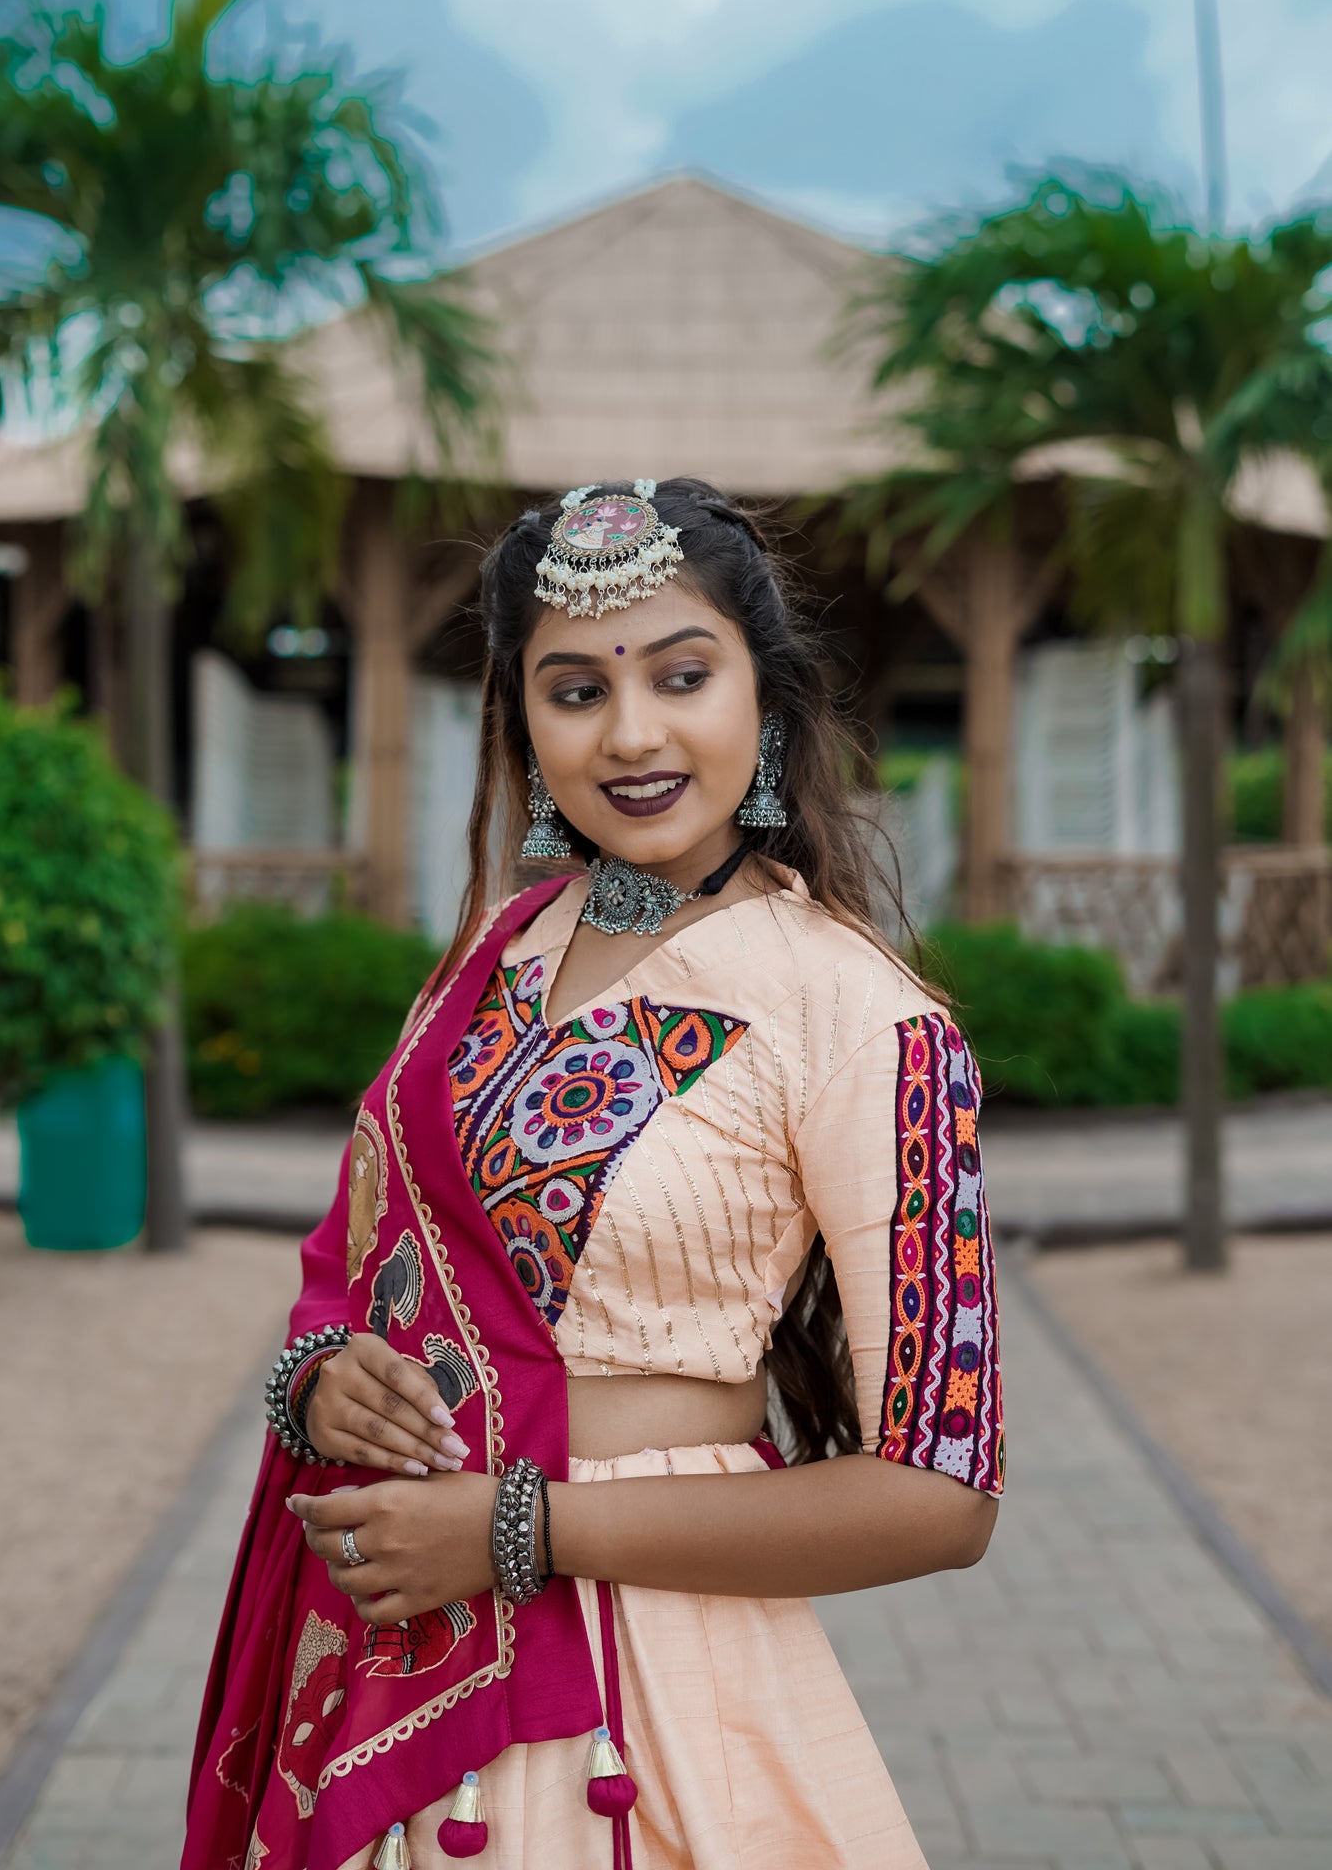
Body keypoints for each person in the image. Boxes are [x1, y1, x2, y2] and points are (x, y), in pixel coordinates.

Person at [183, 477, 1003, 1870]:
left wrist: (515, 1530)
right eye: (573, 692)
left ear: (768, 700)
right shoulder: (492, 952)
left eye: (682, 677)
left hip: (641, 1668)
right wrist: (321, 1380)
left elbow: (941, 1488)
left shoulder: (863, 1021)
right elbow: (351, 1265)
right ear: (520, 721)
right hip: (387, 1639)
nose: (631, 735)